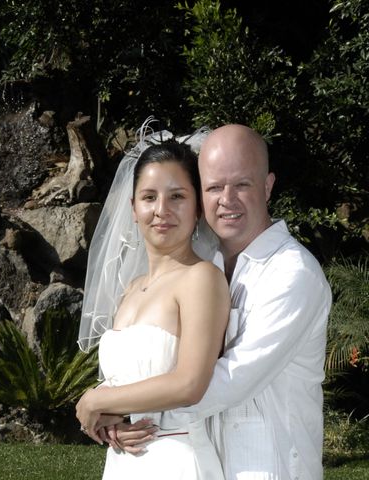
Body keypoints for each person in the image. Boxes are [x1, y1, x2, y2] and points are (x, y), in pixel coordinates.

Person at [79, 124, 332, 480]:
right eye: (214, 187)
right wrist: (114, 408)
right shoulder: (207, 263)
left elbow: (229, 380)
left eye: (242, 184)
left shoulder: (292, 274)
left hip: (270, 467)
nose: (226, 199)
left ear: (268, 185)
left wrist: (113, 407)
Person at [76, 122, 231, 479]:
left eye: (177, 196)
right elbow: (127, 381)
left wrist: (95, 401)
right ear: (133, 208)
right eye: (149, 197)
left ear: (197, 208)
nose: (162, 210)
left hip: (176, 458)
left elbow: (190, 384)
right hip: (123, 461)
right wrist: (110, 419)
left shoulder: (201, 278)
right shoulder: (131, 289)